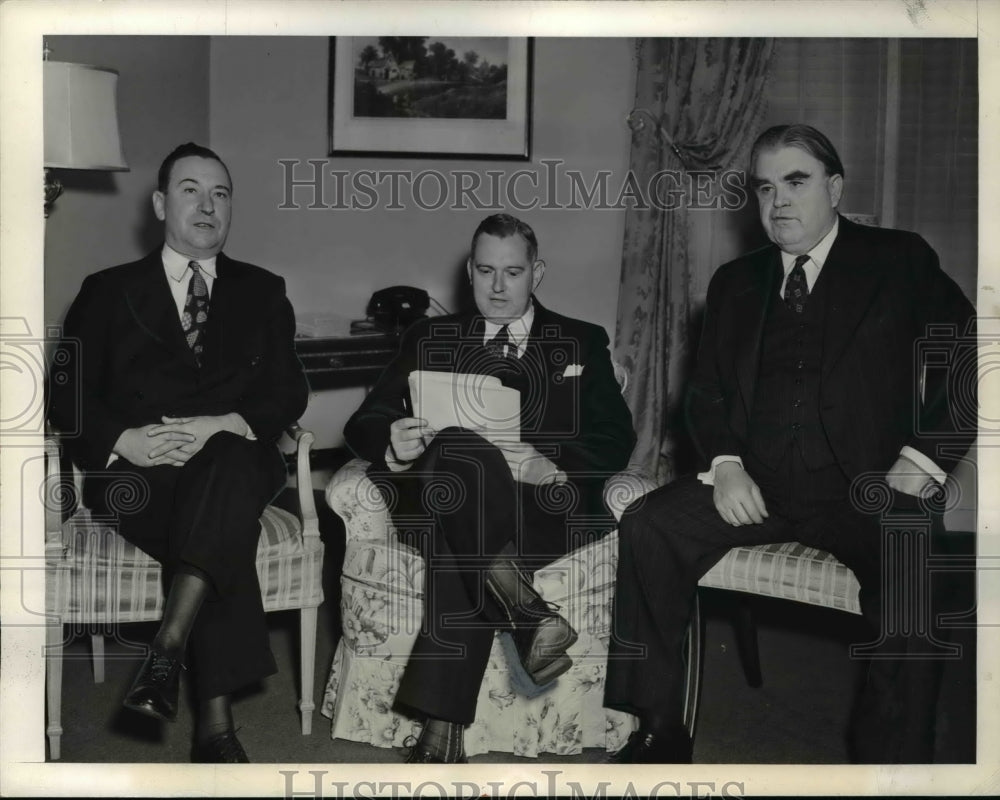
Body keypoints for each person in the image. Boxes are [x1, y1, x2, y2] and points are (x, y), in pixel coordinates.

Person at [603, 124, 977, 763]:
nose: (778, 202)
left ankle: (892, 763)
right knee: (648, 525)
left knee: (916, 572)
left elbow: (972, 356)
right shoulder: (735, 282)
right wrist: (724, 464)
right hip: (764, 484)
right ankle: (658, 728)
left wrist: (921, 459)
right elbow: (707, 391)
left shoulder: (897, 260)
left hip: (870, 488)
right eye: (765, 187)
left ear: (834, 188)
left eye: (796, 182)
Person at [48, 143, 309, 763]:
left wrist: (225, 422)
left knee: (225, 463)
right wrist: (124, 440)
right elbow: (66, 394)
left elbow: (287, 390)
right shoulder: (108, 290)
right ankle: (213, 727)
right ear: (162, 203)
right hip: (141, 476)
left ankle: (167, 647)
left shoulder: (262, 290)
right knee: (220, 524)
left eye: (220, 194)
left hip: (235, 461)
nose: (207, 205)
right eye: (191, 190)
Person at [344, 213, 636, 763]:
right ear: (470, 272)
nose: (497, 287)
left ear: (537, 273)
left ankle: (440, 730)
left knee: (462, 544)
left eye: (513, 272)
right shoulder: (430, 335)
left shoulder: (580, 340)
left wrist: (548, 459)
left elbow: (616, 436)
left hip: (537, 509)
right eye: (485, 271)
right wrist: (393, 438)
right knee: (459, 448)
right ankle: (530, 615)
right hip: (440, 497)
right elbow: (367, 416)